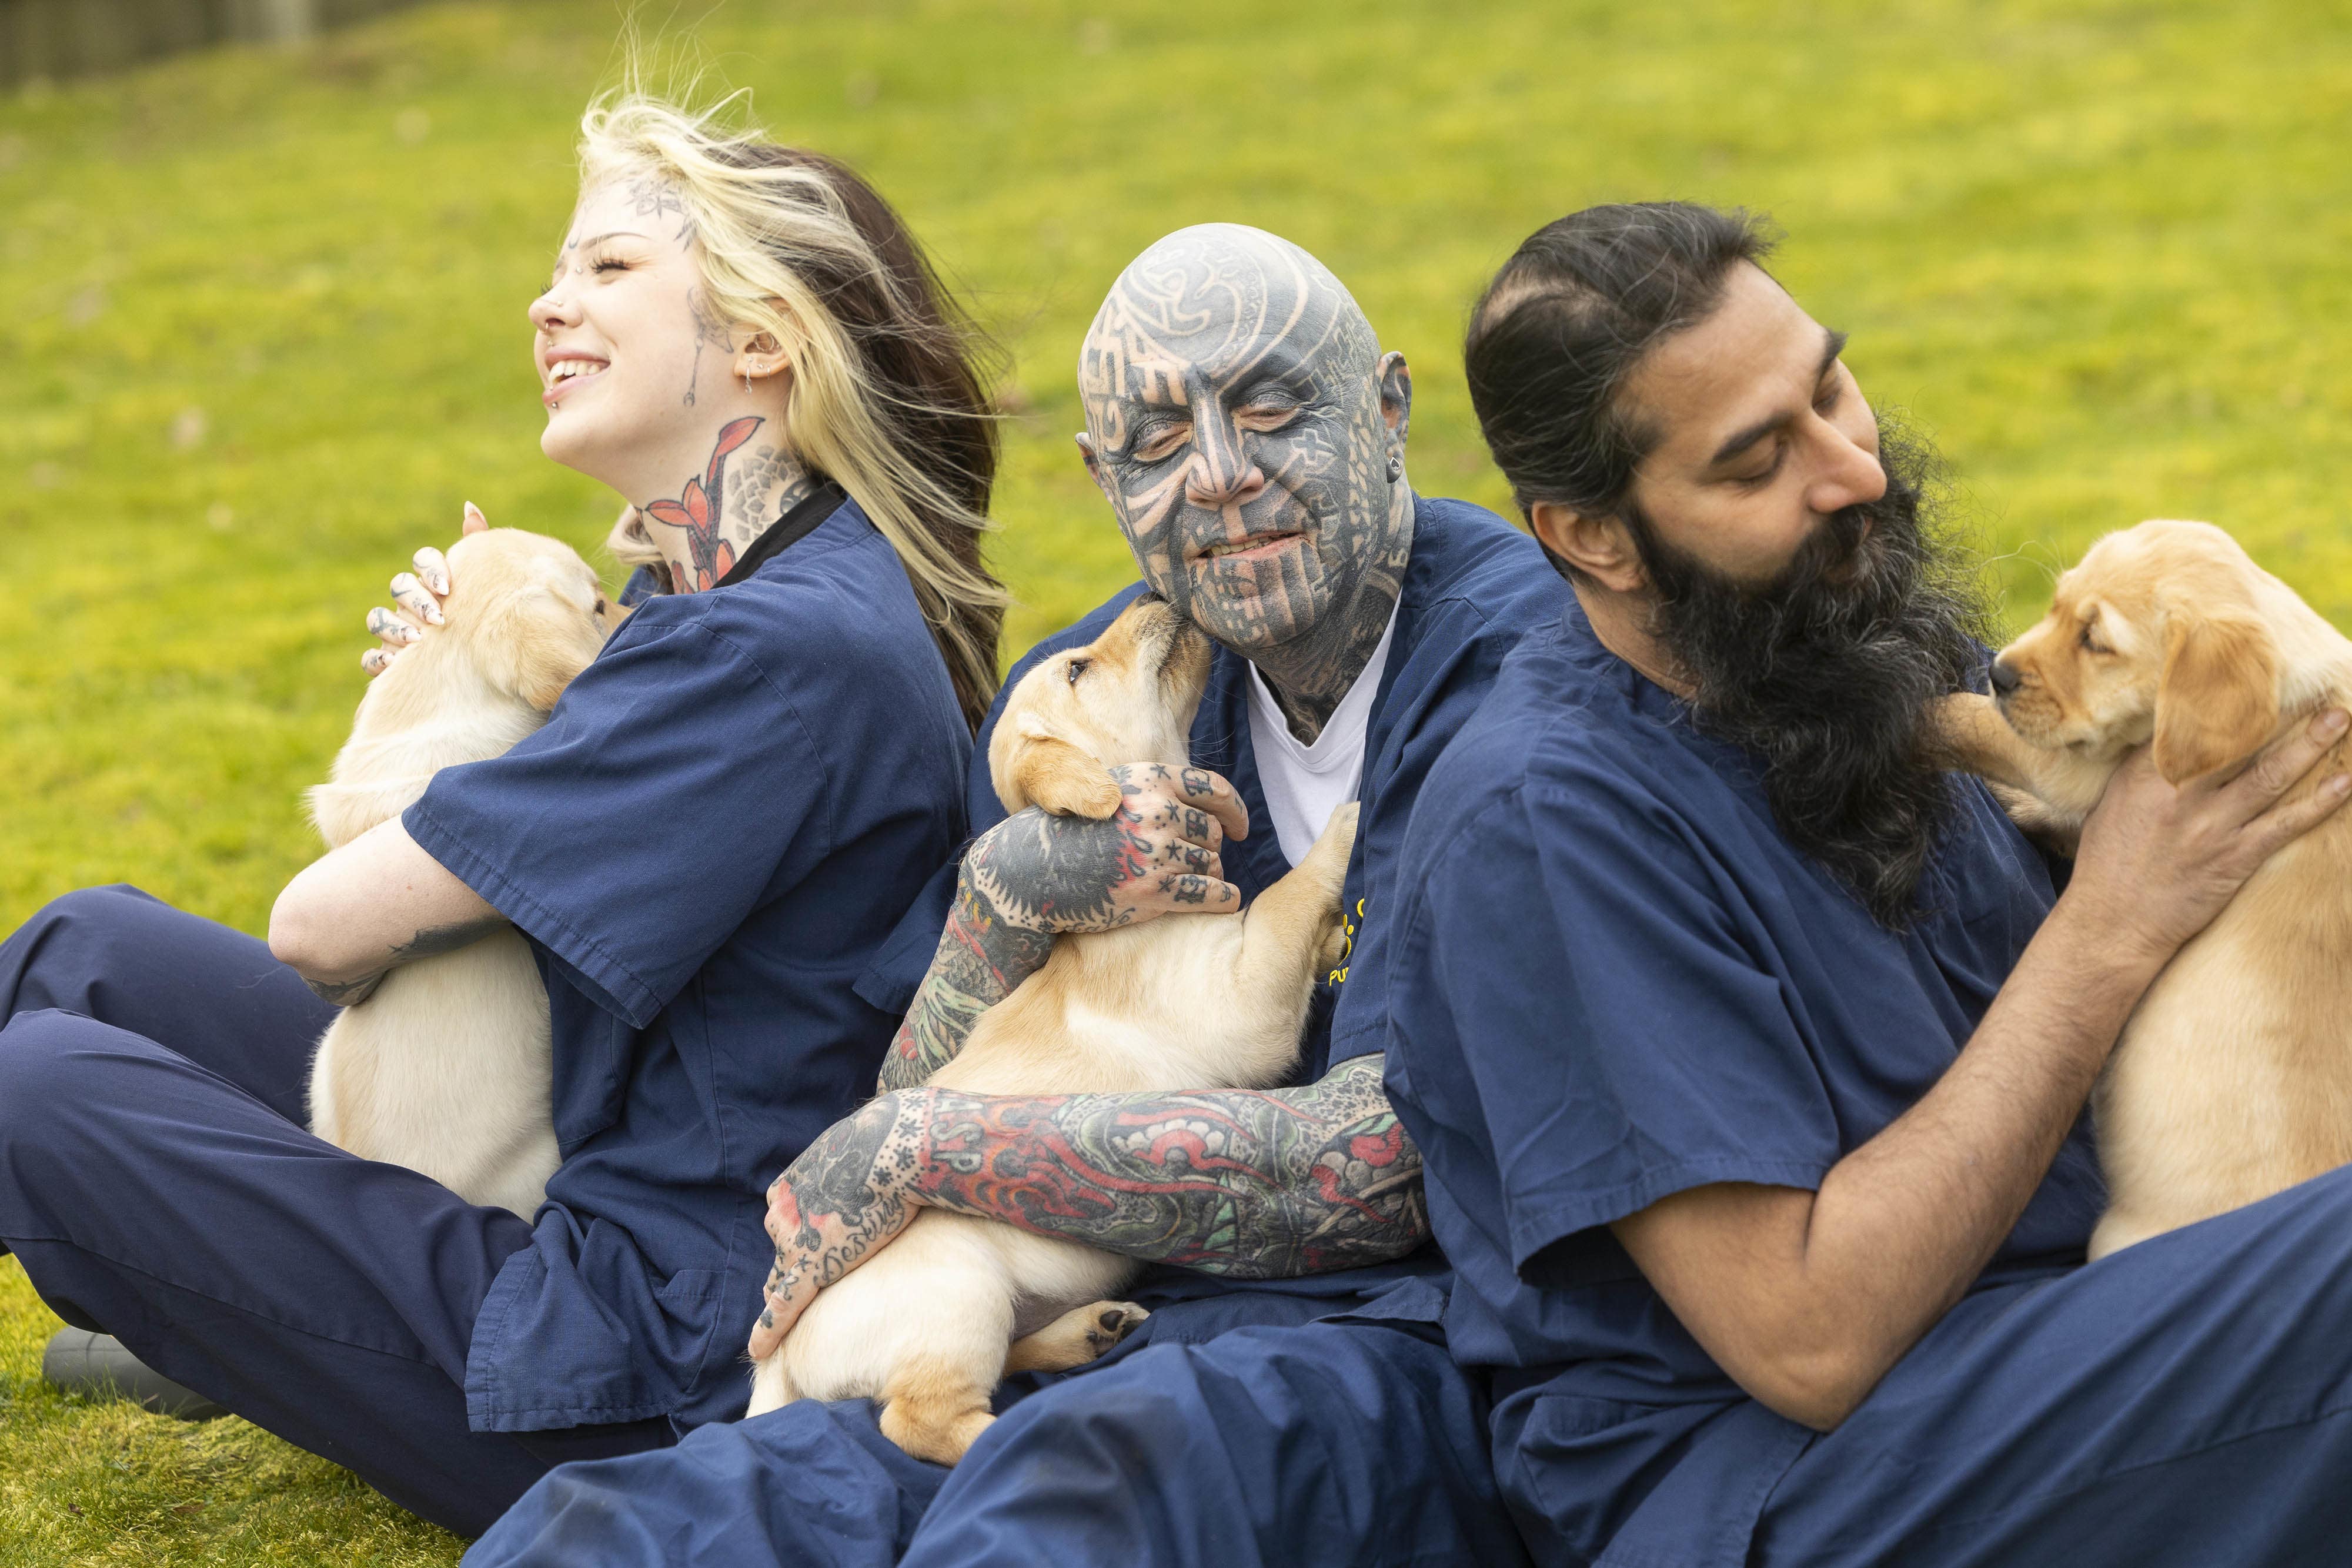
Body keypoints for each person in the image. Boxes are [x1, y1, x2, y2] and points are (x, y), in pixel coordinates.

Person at [465, 223, 1566, 1567]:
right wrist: (1003, 896)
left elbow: (1372, 1172)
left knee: (1053, 1509)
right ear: (1105, 482)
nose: (1219, 479)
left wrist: (925, 1151)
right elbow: (934, 1070)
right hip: (1073, 1320)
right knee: (625, 1521)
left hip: (1388, 1338)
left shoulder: (1515, 676)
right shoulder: (1097, 691)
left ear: (1385, 410)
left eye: (1270, 409)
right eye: (1157, 446)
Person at [0, 93, 1003, 1537]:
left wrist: (451, 722)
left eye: (608, 270)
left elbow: (318, 927)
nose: (549, 303)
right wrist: (487, 662)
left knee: (42, 1087)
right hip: (568, 1163)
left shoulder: (762, 654)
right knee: (82, 950)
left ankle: (244, 1322)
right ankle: (227, 1322)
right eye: (556, 271)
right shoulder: (724, 592)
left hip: (639, 1352)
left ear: (764, 340)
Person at [1382, 200, 2352, 1568]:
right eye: (1754, 460)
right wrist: (2111, 923)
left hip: (2060, 1323)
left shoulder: (1829, 643)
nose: (1851, 470)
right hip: (1782, 1484)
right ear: (1594, 538)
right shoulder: (1548, 823)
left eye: (1830, 386)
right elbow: (1807, 1338)